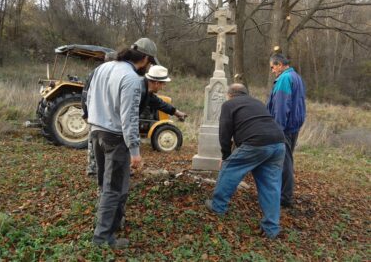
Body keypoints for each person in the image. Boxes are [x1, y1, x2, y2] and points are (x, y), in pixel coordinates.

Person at [86, 37, 158, 248]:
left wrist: (93, 121)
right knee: (113, 187)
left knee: (105, 183)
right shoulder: (132, 79)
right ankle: (102, 238)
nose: (150, 67)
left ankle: (113, 223)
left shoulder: (104, 67)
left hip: (96, 131)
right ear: (144, 59)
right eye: (151, 63)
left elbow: (89, 96)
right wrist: (135, 151)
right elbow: (129, 118)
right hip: (115, 137)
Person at [205, 83, 285, 239]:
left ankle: (218, 206)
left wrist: (226, 156)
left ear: (230, 95)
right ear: (245, 93)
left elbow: (225, 132)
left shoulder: (229, 104)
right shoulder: (257, 102)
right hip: (278, 144)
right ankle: (271, 228)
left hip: (257, 143)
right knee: (271, 186)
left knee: (229, 169)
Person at [84, 65, 187, 176]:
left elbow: (159, 103)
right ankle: (98, 173)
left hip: (116, 124)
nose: (163, 86)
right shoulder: (137, 89)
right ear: (157, 82)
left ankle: (115, 172)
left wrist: (176, 112)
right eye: (163, 83)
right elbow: (129, 117)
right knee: (109, 152)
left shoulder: (146, 90)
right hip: (111, 124)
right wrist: (134, 150)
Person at [267, 53, 306, 208]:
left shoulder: (284, 79)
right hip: (293, 126)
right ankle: (283, 193)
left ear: (280, 65)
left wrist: (278, 129)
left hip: (284, 128)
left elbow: (282, 107)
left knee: (284, 162)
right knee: (286, 159)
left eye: (272, 67)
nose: (272, 71)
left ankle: (285, 197)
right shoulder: (296, 76)